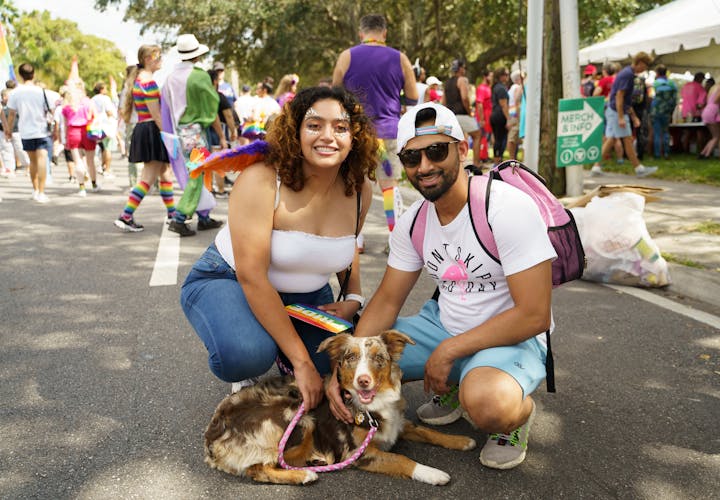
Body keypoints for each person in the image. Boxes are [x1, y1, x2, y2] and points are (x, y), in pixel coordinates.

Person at [326, 102, 556, 471]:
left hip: (512, 335)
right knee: (357, 353)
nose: (425, 166)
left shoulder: (506, 209)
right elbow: (386, 301)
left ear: (462, 150)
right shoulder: (413, 222)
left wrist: (449, 351)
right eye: (412, 157)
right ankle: (454, 383)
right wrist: (341, 372)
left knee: (487, 404)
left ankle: (516, 415)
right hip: (443, 325)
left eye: (436, 151)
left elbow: (534, 314)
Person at [180, 86, 378, 402]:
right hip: (231, 281)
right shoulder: (261, 179)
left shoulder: (359, 188)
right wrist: (300, 362)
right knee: (247, 353)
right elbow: (252, 276)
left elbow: (348, 246)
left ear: (354, 136)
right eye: (314, 125)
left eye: (340, 127)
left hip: (308, 295)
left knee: (339, 369)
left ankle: (284, 343)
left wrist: (353, 296)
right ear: (296, 130)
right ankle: (265, 346)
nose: (328, 136)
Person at [332, 13, 418, 251]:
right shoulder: (400, 59)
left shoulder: (346, 56)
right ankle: (394, 237)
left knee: (355, 183)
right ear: (385, 33)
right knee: (388, 186)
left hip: (357, 133)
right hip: (389, 132)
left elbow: (335, 94)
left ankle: (355, 238)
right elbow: (412, 97)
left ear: (361, 34)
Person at [161, 34, 226, 236]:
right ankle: (179, 218)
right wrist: (221, 135)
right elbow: (211, 109)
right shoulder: (199, 76)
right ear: (197, 56)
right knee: (197, 175)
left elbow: (166, 108)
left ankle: (204, 217)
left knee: (199, 173)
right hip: (196, 133)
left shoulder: (170, 78)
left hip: (179, 132)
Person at [113, 44, 174, 232]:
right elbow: (156, 115)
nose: (161, 60)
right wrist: (170, 136)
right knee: (147, 178)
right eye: (158, 57)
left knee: (164, 172)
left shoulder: (140, 79)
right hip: (151, 129)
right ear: (148, 58)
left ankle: (173, 214)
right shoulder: (147, 81)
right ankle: (126, 215)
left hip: (145, 128)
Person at [590, 52, 658, 178]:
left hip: (614, 111)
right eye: (646, 65)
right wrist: (621, 117)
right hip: (616, 112)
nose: (645, 68)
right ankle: (639, 168)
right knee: (627, 138)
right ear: (640, 62)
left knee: (612, 139)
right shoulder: (627, 75)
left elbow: (624, 99)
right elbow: (619, 96)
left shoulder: (627, 73)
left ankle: (596, 167)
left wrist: (633, 116)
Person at [5, 63, 59, 203]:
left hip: (25, 131)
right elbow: (52, 111)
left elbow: (11, 114)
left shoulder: (16, 92)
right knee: (42, 159)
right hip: (42, 129)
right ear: (33, 74)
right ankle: (41, 192)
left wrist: (8, 130)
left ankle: (35, 189)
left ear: (20, 75)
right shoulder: (42, 91)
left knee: (32, 161)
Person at [61, 83, 100, 196]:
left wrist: (65, 139)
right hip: (87, 132)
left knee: (77, 161)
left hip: (73, 132)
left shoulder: (67, 106)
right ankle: (94, 184)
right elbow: (95, 117)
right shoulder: (88, 102)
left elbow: (65, 125)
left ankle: (82, 187)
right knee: (90, 161)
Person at [442, 59, 482, 165]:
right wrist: (469, 112)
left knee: (455, 140)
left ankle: (455, 165)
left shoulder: (447, 83)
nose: (464, 70)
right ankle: (477, 164)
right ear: (460, 69)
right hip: (462, 114)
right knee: (477, 135)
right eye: (463, 67)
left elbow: (443, 102)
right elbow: (465, 98)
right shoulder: (462, 80)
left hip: (451, 116)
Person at [207, 69, 237, 198]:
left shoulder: (203, 97)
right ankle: (220, 189)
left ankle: (208, 189)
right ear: (215, 81)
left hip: (204, 130)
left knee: (208, 161)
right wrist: (233, 130)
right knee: (219, 161)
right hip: (219, 130)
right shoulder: (219, 96)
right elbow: (228, 115)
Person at [650, 64, 678, 160]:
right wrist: (671, 110)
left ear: (657, 73)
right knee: (666, 132)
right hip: (667, 111)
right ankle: (666, 153)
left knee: (657, 133)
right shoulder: (672, 84)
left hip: (656, 110)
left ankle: (657, 154)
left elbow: (651, 97)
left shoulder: (655, 83)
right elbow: (675, 100)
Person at [91, 81, 118, 178]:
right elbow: (109, 112)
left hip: (96, 126)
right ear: (101, 89)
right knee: (108, 148)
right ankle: (107, 169)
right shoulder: (105, 99)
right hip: (106, 126)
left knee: (101, 147)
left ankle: (102, 166)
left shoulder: (92, 99)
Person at [489, 67, 510, 162]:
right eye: (506, 75)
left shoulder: (495, 87)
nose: (507, 77)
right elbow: (504, 105)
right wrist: (508, 119)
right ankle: (498, 160)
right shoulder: (501, 88)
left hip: (494, 115)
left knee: (497, 138)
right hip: (500, 116)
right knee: (501, 139)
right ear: (501, 76)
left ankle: (497, 159)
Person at [474, 69, 493, 163]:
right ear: (485, 77)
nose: (492, 78)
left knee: (486, 137)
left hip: (488, 115)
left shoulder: (488, 87)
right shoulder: (481, 88)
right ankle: (481, 157)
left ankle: (485, 155)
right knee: (482, 137)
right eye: (490, 76)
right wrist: (481, 119)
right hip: (483, 116)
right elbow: (479, 104)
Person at [507, 70, 524, 160]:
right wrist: (518, 115)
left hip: (512, 113)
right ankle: (512, 158)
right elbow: (517, 100)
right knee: (512, 138)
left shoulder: (511, 88)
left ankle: (513, 158)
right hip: (515, 115)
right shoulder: (517, 87)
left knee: (513, 138)